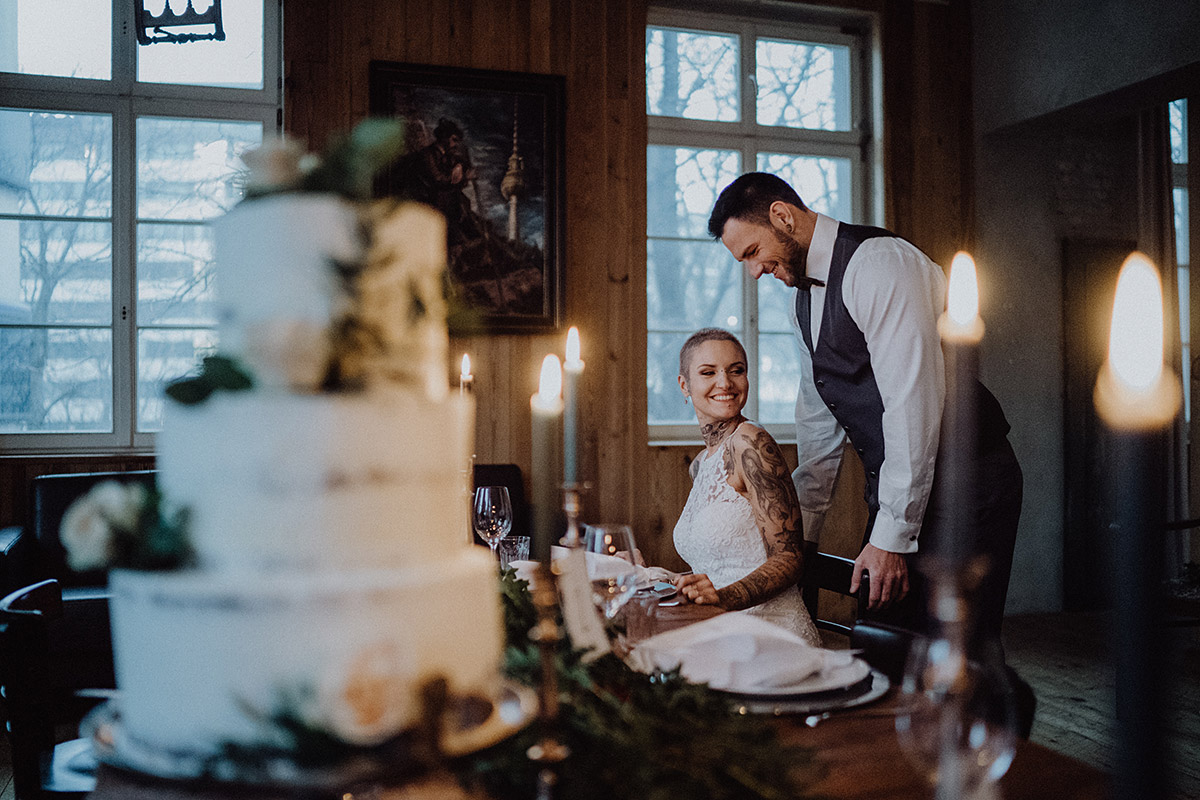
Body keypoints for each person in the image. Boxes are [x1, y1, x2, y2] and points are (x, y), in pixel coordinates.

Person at [706, 172, 1022, 640]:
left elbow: (911, 402)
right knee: (879, 638)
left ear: (782, 216)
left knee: (954, 648)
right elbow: (818, 416)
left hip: (968, 483)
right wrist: (800, 535)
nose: (754, 271)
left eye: (753, 252)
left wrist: (890, 539)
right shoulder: (802, 303)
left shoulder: (880, 263)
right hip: (904, 488)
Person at [671, 327, 821, 645]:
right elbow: (719, 563)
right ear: (685, 385)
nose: (725, 383)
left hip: (769, 633)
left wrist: (723, 600)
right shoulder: (702, 463)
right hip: (718, 629)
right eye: (708, 372)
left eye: (736, 371)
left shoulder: (751, 443)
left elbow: (790, 559)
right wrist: (671, 580)